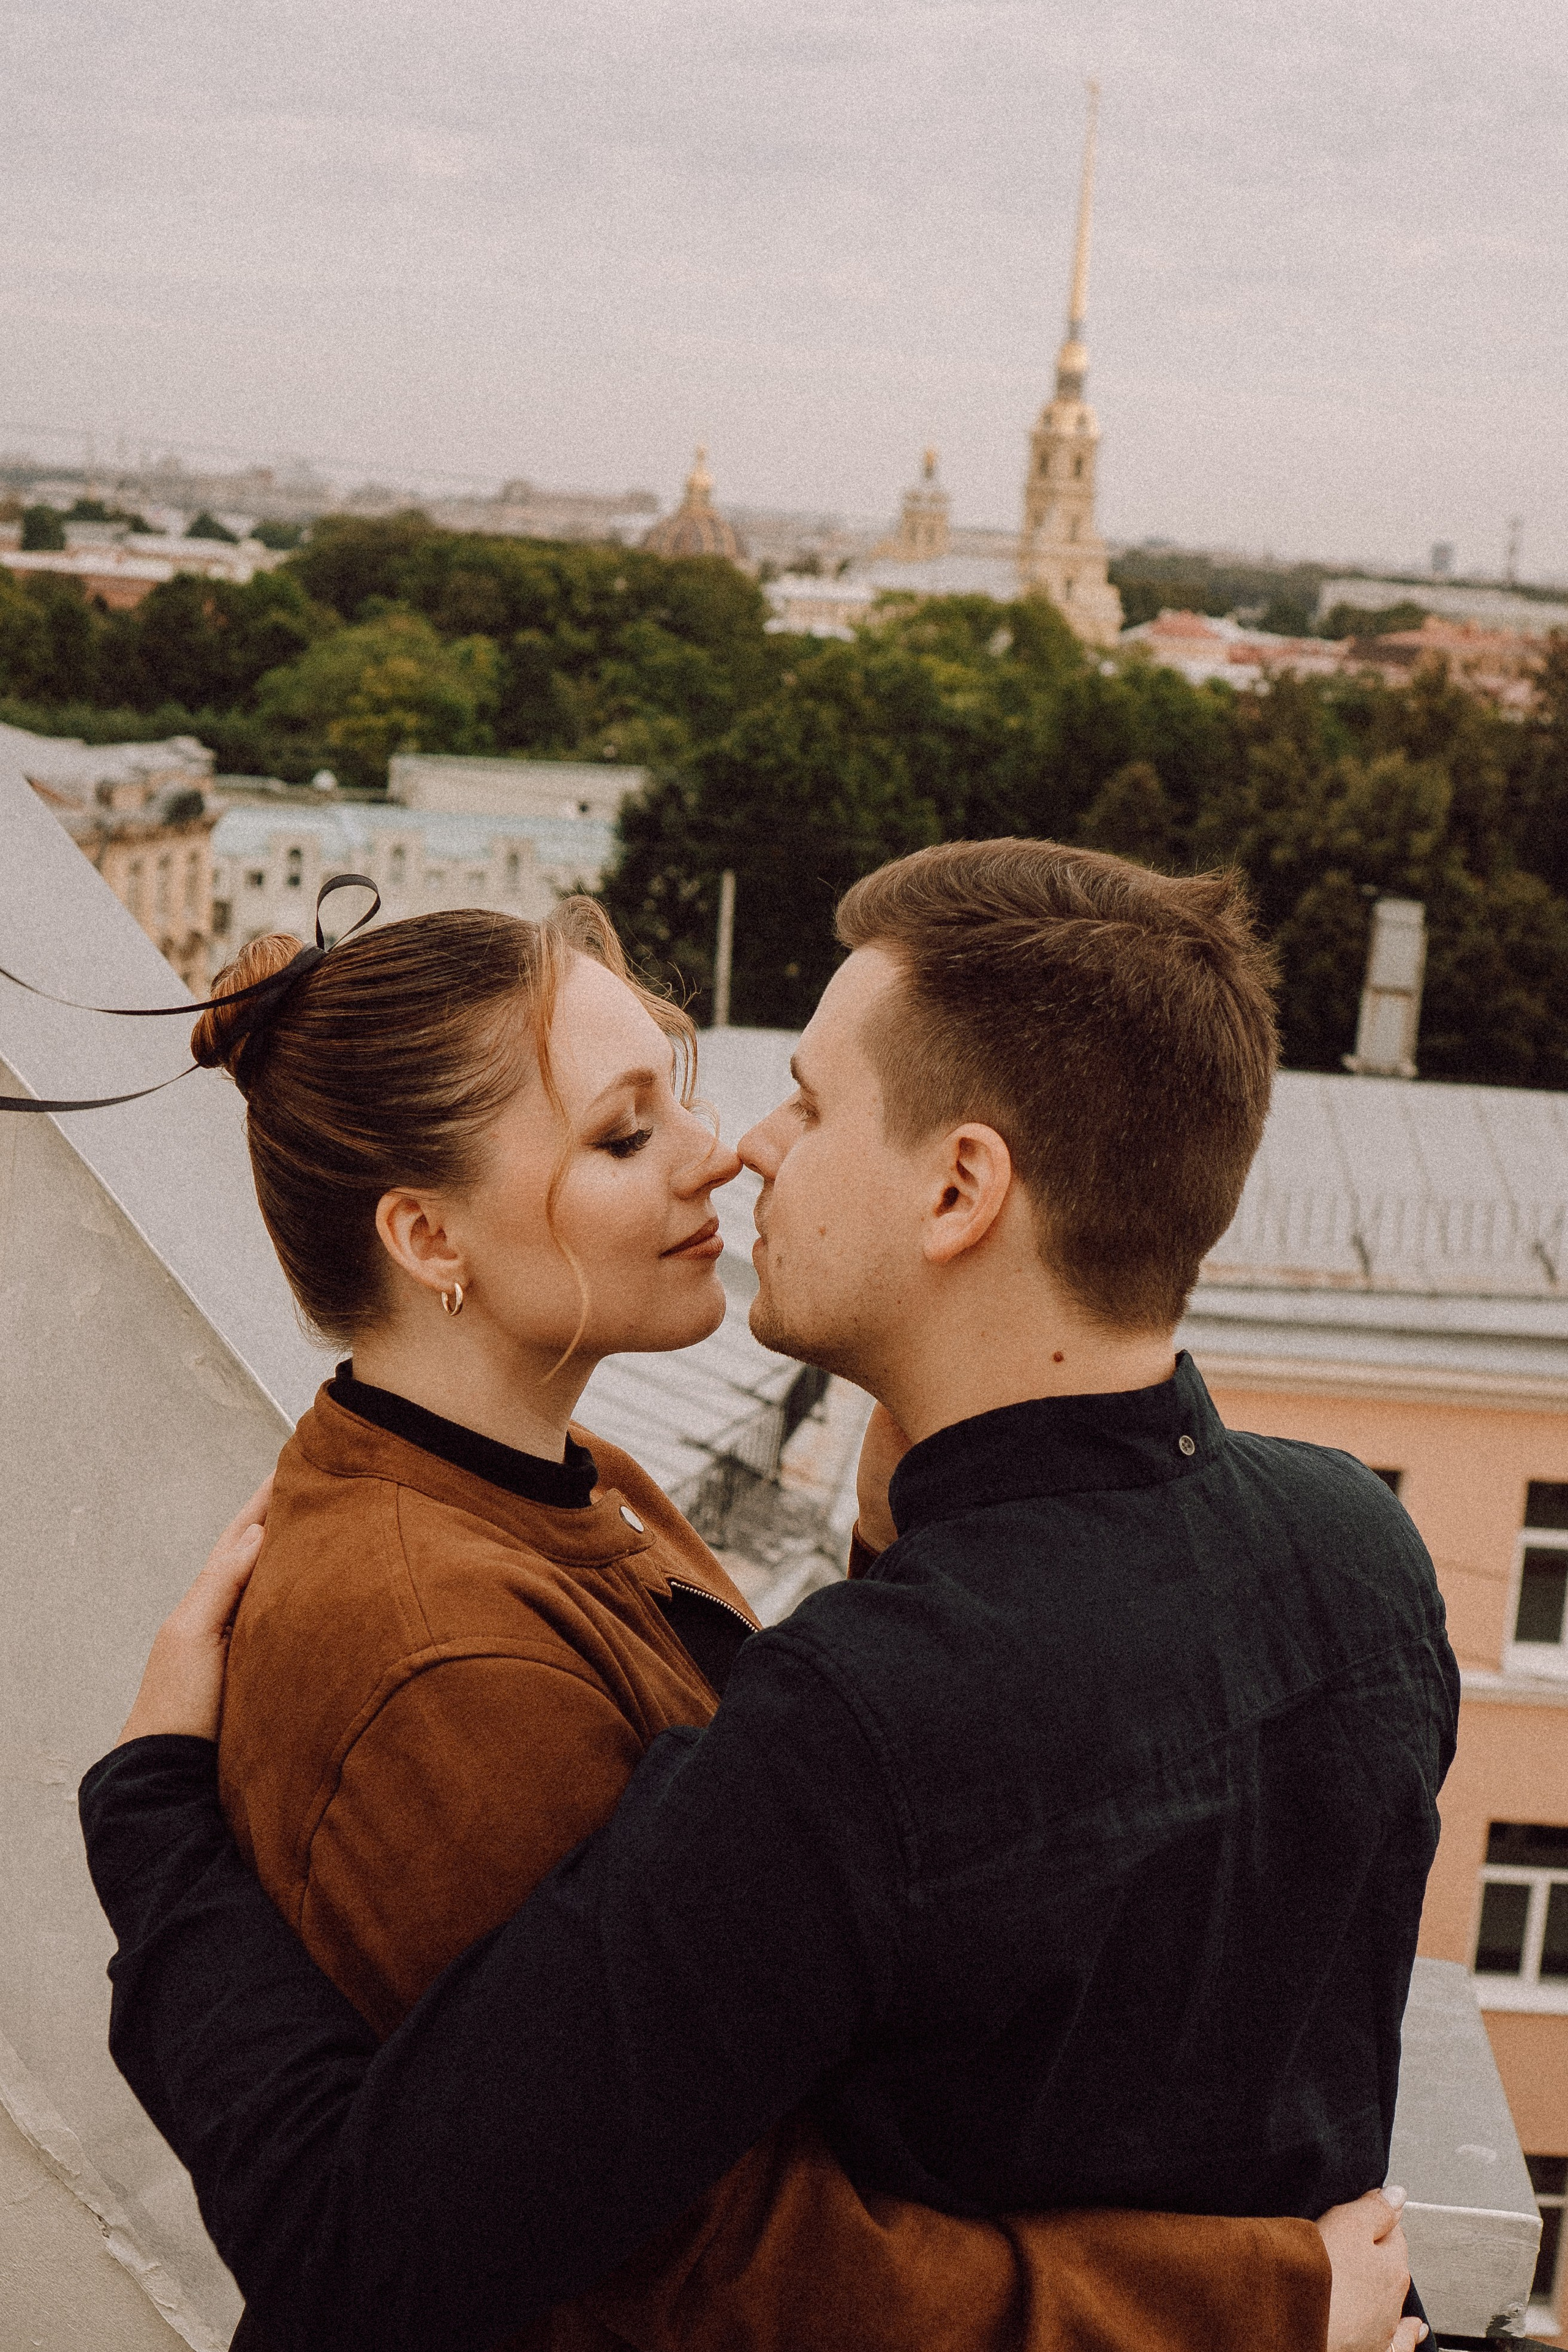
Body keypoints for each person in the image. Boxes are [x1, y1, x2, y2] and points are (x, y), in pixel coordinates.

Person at [77, 844, 1450, 2352]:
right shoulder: (1364, 1550)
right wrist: (1265, 2304)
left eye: (803, 1099)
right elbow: (589, 2260)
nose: (740, 1151)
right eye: (626, 1132)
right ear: (425, 1236)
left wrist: (153, 1828)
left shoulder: (703, 1578)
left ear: (958, 1187)